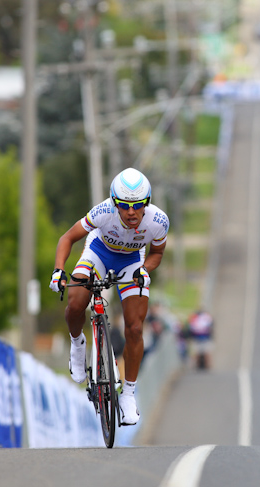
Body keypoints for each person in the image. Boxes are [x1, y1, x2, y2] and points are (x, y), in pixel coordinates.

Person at [49, 168, 169, 426]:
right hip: (98, 253)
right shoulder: (102, 212)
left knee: (135, 328)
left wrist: (144, 270)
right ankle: (78, 343)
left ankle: (128, 395)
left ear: (146, 203)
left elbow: (157, 253)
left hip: (132, 262)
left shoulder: (158, 221)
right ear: (115, 203)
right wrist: (59, 270)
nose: (131, 212)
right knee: (76, 302)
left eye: (138, 206)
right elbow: (67, 238)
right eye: (124, 206)